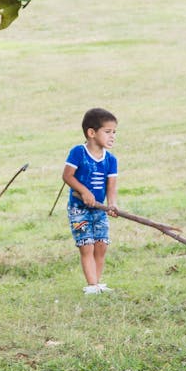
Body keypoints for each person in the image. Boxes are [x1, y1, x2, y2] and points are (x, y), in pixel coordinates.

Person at [62, 107, 119, 295]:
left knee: (101, 245)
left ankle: (98, 283)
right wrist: (84, 191)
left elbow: (111, 186)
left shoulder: (111, 160)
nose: (112, 136)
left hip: (99, 210)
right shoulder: (78, 152)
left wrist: (112, 204)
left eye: (114, 133)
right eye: (108, 132)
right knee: (87, 245)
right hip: (80, 209)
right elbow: (67, 176)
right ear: (91, 133)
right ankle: (92, 285)